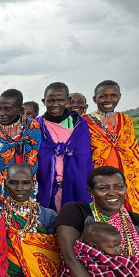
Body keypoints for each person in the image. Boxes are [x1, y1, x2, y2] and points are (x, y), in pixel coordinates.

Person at [84, 80, 139, 214]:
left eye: (113, 95)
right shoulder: (85, 121)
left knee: (129, 211)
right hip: (98, 174)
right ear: (95, 99)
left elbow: (132, 148)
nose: (108, 100)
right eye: (103, 96)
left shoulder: (126, 120)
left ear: (119, 96)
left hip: (127, 173)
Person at [36, 82, 93, 212]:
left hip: (76, 184)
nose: (55, 104)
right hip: (46, 186)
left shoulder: (79, 124)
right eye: (51, 100)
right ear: (44, 101)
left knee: (76, 222)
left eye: (60, 100)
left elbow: (84, 157)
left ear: (68, 101)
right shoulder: (37, 125)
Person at [0, 89, 41, 202]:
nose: (1, 113)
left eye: (7, 109)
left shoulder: (32, 127)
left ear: (20, 110)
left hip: (23, 184)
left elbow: (34, 156)